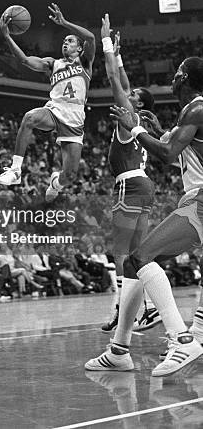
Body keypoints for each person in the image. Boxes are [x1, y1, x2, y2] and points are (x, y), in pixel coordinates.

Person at [85, 56, 203, 377]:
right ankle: (120, 350)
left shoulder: (196, 108)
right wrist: (156, 130)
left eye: (178, 74)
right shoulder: (191, 114)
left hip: (198, 201)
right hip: (190, 198)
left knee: (137, 257)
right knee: (133, 263)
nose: (174, 78)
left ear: (187, 79)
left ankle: (182, 339)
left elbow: (167, 153)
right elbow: (179, 145)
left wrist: (135, 128)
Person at [0, 3, 95, 201]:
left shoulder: (85, 62)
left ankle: (55, 183)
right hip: (55, 110)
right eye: (64, 41)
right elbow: (24, 60)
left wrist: (65, 23)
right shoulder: (52, 63)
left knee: (70, 176)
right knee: (30, 118)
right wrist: (7, 36)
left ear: (79, 47)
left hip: (75, 118)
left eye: (70, 41)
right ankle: (15, 170)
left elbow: (91, 37)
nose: (65, 43)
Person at [100, 15, 161, 332]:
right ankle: (149, 307)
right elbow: (123, 80)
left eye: (133, 92)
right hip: (145, 186)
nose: (129, 91)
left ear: (137, 101)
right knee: (137, 253)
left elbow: (114, 79)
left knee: (119, 252)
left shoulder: (129, 115)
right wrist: (120, 52)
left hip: (130, 186)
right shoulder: (139, 120)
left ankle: (121, 310)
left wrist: (106, 42)